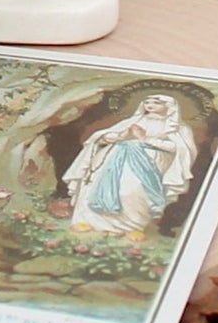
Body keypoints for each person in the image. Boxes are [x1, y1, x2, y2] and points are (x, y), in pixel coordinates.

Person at [63, 95, 196, 236]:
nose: (150, 105)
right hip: (116, 158)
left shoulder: (176, 127)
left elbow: (179, 148)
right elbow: (103, 137)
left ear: (169, 106)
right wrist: (122, 135)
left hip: (149, 164)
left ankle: (127, 228)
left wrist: (145, 139)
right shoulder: (134, 120)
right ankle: (90, 223)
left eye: (156, 103)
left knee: (131, 192)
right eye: (147, 102)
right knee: (95, 186)